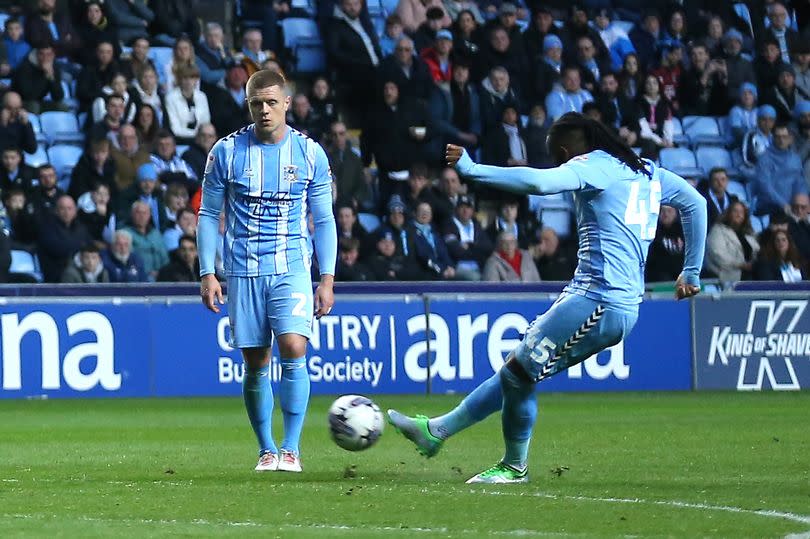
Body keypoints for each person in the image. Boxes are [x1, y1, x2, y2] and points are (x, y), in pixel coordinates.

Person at [387, 112, 707, 483]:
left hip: (600, 300)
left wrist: (472, 170)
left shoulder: (592, 165)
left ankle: (512, 466)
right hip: (599, 298)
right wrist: (692, 269)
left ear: (568, 148)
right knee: (516, 371)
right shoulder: (646, 170)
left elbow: (539, 183)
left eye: (559, 154)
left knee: (520, 373)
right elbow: (695, 203)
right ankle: (437, 432)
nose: (560, 162)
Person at [197, 70, 337, 473]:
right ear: (248, 104)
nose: (264, 110)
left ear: (287, 103)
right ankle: (266, 448)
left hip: (291, 265)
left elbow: (323, 219)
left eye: (272, 102)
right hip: (242, 269)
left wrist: (325, 279)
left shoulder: (310, 154)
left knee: (294, 346)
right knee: (256, 360)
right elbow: (208, 214)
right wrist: (208, 271)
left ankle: (291, 448)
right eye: (256, 103)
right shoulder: (225, 152)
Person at [705, 200, 759, 283]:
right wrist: (741, 265)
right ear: (728, 213)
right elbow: (718, 255)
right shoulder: (718, 230)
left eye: (741, 212)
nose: (738, 214)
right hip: (728, 275)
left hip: (751, 274)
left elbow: (757, 251)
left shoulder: (749, 233)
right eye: (735, 211)